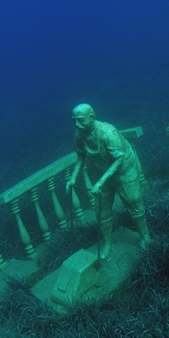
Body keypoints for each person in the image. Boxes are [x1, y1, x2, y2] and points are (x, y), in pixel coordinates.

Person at [65, 103, 150, 257]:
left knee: (135, 206)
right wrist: (72, 179)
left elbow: (119, 159)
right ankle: (108, 244)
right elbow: (80, 157)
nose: (77, 124)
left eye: (80, 120)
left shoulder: (108, 132)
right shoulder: (79, 135)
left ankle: (146, 238)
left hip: (124, 173)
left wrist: (100, 182)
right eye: (74, 121)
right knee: (101, 212)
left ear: (92, 117)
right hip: (105, 176)